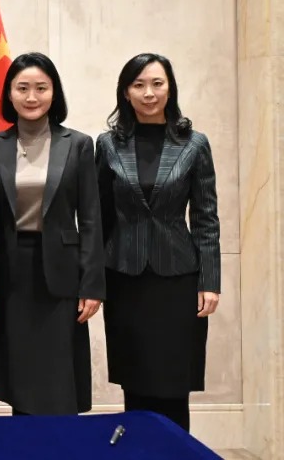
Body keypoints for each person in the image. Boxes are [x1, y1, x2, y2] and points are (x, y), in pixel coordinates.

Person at [96, 52, 221, 431]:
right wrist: (92, 281)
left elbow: (206, 217)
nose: (148, 93)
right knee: (134, 380)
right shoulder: (108, 144)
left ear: (170, 88)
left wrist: (210, 281)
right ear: (126, 92)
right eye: (139, 85)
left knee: (173, 381)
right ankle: (137, 451)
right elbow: (99, 218)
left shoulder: (194, 144)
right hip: (124, 276)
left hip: (178, 278)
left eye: (157, 83)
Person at [0, 52, 105, 415]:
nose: (31, 97)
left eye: (41, 88)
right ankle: (23, 442)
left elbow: (91, 218)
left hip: (60, 273)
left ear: (54, 92)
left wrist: (92, 285)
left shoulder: (77, 144)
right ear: (9, 94)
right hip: (9, 274)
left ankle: (59, 443)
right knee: (18, 375)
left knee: (57, 375)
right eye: (22, 88)